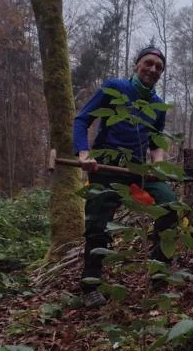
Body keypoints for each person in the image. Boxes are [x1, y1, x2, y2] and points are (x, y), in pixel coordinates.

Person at [73, 45, 178, 309]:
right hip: (106, 166)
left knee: (169, 206)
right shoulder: (115, 88)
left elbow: (155, 142)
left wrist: (158, 165)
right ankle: (91, 284)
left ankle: (158, 272)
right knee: (98, 222)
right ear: (136, 65)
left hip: (136, 171)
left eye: (159, 67)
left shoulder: (157, 105)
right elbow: (82, 119)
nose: (153, 69)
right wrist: (84, 154)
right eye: (149, 63)